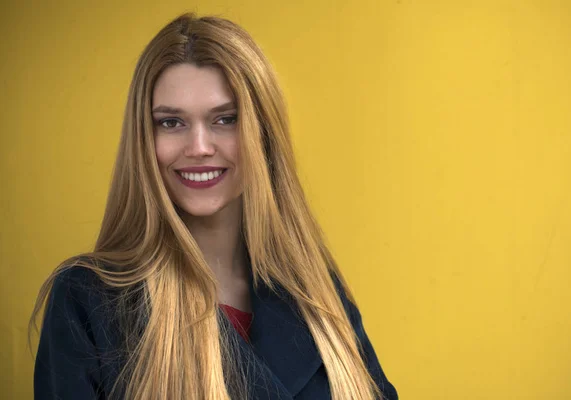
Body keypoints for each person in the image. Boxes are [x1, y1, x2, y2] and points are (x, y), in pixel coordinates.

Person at [30, 13, 398, 400]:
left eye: (225, 119)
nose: (200, 147)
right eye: (171, 123)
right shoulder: (88, 300)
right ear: (143, 139)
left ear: (263, 134)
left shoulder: (318, 295)